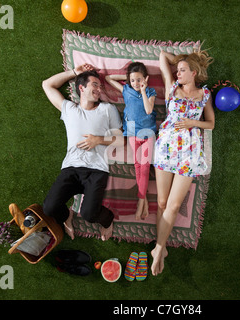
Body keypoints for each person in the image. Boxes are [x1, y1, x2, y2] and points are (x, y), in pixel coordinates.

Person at [42, 64, 123, 241]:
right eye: (95, 84)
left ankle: (108, 220)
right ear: (81, 87)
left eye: (100, 86)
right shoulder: (69, 109)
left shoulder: (107, 109)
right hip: (71, 168)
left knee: (89, 214)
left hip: (96, 170)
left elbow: (120, 140)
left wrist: (98, 140)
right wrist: (74, 72)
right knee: (49, 208)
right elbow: (47, 85)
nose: (99, 88)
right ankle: (67, 216)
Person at [151, 49, 215, 276]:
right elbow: (161, 56)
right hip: (166, 148)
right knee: (161, 202)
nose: (177, 73)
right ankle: (162, 247)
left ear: (194, 73)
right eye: (177, 70)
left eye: (182, 70)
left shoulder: (204, 94)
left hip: (189, 153)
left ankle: (158, 248)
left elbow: (211, 124)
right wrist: (180, 60)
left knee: (174, 205)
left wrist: (191, 123)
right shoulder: (172, 87)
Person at [105, 62, 157, 220]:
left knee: (145, 166)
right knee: (138, 165)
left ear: (145, 79)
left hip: (148, 133)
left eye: (139, 80)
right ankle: (144, 200)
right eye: (133, 80)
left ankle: (141, 202)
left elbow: (148, 110)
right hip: (133, 132)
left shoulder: (150, 91)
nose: (136, 83)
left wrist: (143, 90)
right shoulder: (126, 89)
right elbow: (108, 78)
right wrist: (128, 78)